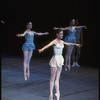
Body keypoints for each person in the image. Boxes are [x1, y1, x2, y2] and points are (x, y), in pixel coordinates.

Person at [38, 29, 80, 100]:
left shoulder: (61, 41)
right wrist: (42, 49)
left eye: (62, 34)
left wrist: (75, 44)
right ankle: (51, 93)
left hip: (60, 59)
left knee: (57, 78)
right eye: (60, 34)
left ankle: (57, 92)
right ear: (57, 34)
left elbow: (68, 43)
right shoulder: (54, 41)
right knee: (52, 78)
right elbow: (48, 45)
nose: (62, 35)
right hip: (55, 59)